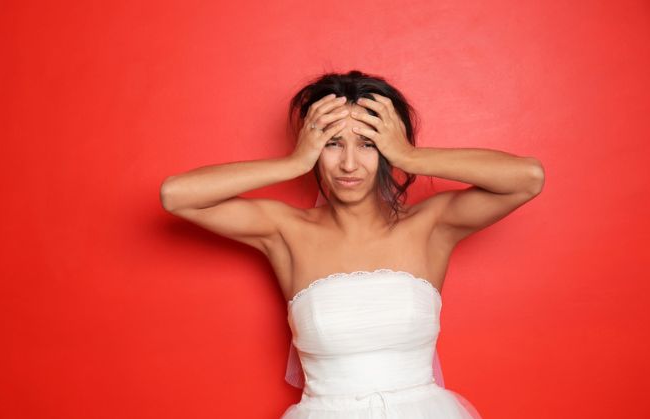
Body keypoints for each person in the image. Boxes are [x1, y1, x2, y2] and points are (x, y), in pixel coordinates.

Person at [160, 70, 545, 418]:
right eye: (332, 144)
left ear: (388, 148)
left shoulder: (431, 226)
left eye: (366, 144)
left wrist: (410, 156)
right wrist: (294, 163)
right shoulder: (285, 231)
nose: (348, 165)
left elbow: (527, 177)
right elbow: (177, 195)